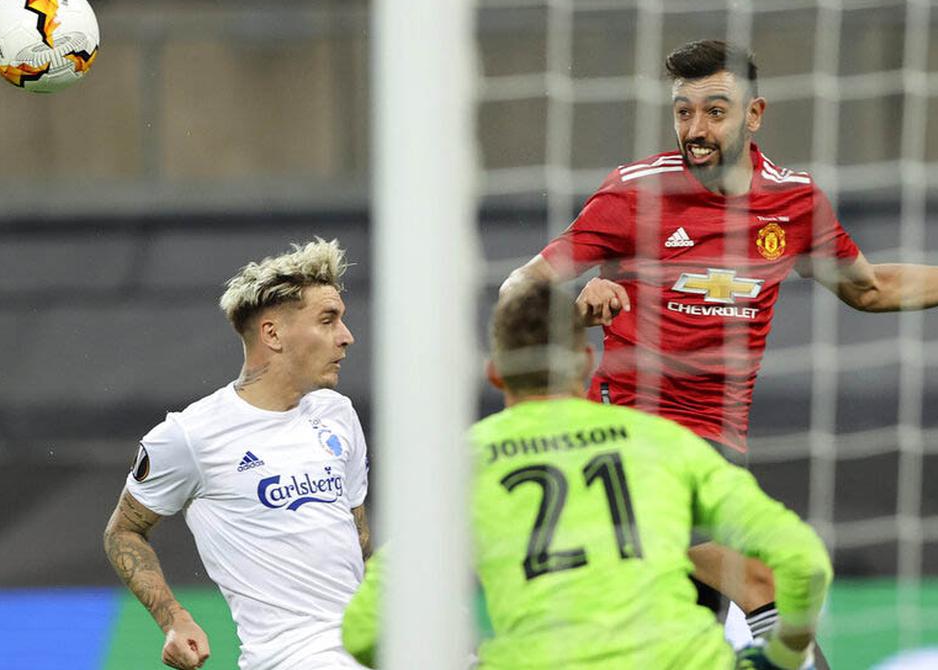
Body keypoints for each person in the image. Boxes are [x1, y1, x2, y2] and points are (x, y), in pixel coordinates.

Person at [501, 39, 938, 641]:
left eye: (714, 112)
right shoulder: (635, 194)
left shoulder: (793, 204)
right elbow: (520, 287)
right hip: (631, 441)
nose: (695, 129)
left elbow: (870, 289)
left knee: (682, 639)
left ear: (754, 114)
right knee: (765, 585)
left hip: (718, 446)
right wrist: (571, 308)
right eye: (682, 111)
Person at [340, 280, 832, 669]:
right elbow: (804, 561)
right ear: (589, 362)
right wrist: (783, 656)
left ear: (495, 373)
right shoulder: (660, 441)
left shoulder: (464, 465)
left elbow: (364, 630)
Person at [103, 238, 371, 670]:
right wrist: (175, 619)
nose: (346, 337)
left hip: (364, 647)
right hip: (292, 659)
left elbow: (357, 540)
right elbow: (122, 533)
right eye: (328, 320)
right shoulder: (189, 436)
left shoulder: (337, 413)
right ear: (272, 333)